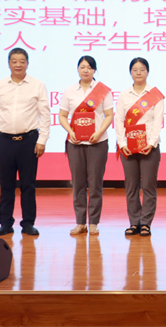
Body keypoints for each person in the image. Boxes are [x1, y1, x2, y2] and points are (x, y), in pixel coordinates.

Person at [0, 48, 51, 237]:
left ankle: (28, 223)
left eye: (22, 61)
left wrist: (42, 140)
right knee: (6, 185)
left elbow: (45, 114)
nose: (18, 64)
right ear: (8, 64)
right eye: (14, 61)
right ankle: (5, 223)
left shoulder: (37, 85)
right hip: (4, 140)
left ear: (27, 64)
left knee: (28, 184)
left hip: (29, 141)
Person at [59, 56, 113, 236]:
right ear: (77, 69)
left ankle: (94, 223)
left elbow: (108, 115)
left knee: (96, 183)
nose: (85, 70)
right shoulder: (69, 91)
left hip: (98, 142)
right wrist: (71, 131)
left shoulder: (102, 91)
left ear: (94, 70)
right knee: (78, 184)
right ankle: (80, 222)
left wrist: (99, 132)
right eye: (82, 67)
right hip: (75, 143)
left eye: (89, 67)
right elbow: (62, 116)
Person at [115, 57, 165, 237]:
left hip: (149, 147)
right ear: (130, 72)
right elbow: (119, 120)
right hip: (128, 148)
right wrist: (122, 144)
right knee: (131, 186)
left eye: (142, 69)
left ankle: (146, 223)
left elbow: (158, 121)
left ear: (147, 72)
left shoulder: (155, 95)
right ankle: (134, 222)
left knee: (149, 186)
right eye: (135, 70)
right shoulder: (124, 95)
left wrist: (150, 143)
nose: (138, 73)